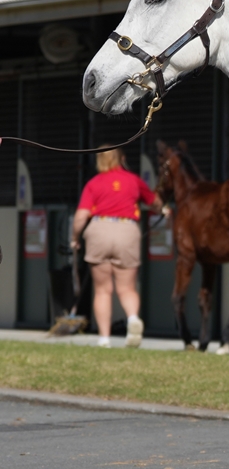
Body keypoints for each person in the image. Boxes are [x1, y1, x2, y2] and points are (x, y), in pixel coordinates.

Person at [70, 146, 170, 348]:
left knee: (102, 290)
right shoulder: (133, 180)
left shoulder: (94, 183)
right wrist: (164, 209)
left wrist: (75, 238)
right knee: (127, 288)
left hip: (100, 229)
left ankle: (104, 339)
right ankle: (133, 318)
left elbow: (81, 216)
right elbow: (155, 202)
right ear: (122, 158)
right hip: (127, 230)